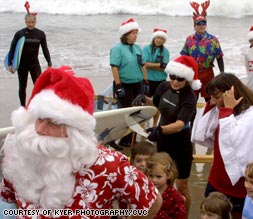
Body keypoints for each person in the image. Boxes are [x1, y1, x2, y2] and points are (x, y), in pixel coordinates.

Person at [0, 66, 162, 219]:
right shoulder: (17, 155)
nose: (40, 129)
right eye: (39, 118)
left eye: (54, 123)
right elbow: (8, 201)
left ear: (76, 130)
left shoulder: (109, 165)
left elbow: (152, 202)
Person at [191, 73, 253, 219]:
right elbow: (199, 133)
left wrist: (226, 111)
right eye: (211, 98)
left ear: (231, 93)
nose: (213, 102)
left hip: (239, 188)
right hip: (216, 181)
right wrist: (216, 106)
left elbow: (230, 143)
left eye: (216, 97)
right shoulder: (220, 111)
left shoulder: (252, 116)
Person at [133, 55, 201, 217]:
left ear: (187, 80)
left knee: (182, 186)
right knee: (159, 181)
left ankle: (183, 215)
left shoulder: (189, 97)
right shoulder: (163, 87)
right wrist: (143, 99)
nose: (176, 81)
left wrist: (160, 130)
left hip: (181, 144)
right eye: (173, 77)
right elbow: (155, 103)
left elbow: (179, 124)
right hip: (163, 142)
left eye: (180, 79)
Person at [110, 18, 149, 148]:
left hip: (137, 84)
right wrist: (118, 86)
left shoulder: (138, 48)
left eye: (137, 33)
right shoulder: (117, 49)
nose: (136, 35)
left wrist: (145, 81)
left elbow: (143, 66)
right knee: (125, 114)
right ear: (125, 35)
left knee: (136, 113)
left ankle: (129, 139)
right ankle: (115, 139)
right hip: (123, 85)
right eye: (133, 33)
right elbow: (114, 67)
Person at [180, 0, 224, 102]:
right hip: (192, 74)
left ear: (206, 25)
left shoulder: (213, 40)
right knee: (190, 100)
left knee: (210, 101)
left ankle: (210, 118)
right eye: (199, 23)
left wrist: (222, 73)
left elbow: (219, 57)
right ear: (194, 26)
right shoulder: (189, 39)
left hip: (208, 74)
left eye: (203, 23)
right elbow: (184, 57)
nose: (201, 25)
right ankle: (191, 118)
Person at [7, 13, 52, 107]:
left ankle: (39, 105)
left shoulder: (40, 34)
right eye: (28, 22)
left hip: (34, 64)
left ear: (35, 22)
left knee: (39, 86)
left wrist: (49, 62)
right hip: (22, 65)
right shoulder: (20, 34)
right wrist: (10, 63)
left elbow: (45, 49)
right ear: (25, 22)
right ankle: (23, 107)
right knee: (22, 87)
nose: (30, 24)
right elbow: (12, 48)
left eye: (32, 22)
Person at [146, 152, 187, 219]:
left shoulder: (176, 198)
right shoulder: (144, 191)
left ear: (168, 175)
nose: (154, 180)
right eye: (150, 175)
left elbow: (181, 216)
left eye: (158, 176)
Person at [143, 28, 170, 126]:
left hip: (161, 81)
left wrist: (153, 65)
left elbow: (164, 68)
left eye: (162, 39)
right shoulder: (146, 49)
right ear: (154, 38)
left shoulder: (165, 51)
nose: (159, 40)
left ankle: (154, 125)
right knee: (145, 104)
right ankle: (145, 124)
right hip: (148, 80)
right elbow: (144, 64)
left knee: (158, 104)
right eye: (158, 38)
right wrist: (159, 65)